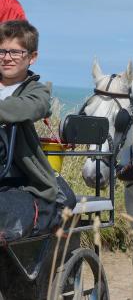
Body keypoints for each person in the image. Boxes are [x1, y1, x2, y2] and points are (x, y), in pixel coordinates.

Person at [0, 20, 58, 243]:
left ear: (31, 57)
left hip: (19, 179)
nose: (6, 57)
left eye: (15, 52)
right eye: (2, 51)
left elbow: (30, 107)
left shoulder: (37, 91)